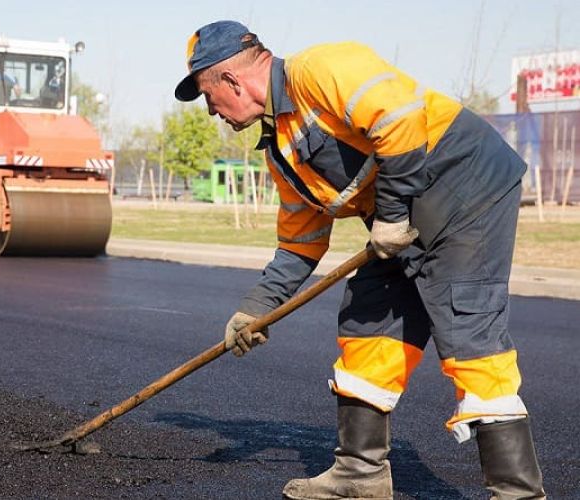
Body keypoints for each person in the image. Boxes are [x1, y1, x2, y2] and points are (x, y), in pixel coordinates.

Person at [174, 20, 545, 499]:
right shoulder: (281, 148)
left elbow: (400, 120)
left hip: (465, 189)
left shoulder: (320, 69)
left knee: (468, 331)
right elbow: (300, 243)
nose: (211, 112)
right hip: (401, 217)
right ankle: (359, 474)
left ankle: (518, 492)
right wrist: (255, 308)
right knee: (368, 320)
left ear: (231, 80)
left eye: (208, 96)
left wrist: (389, 215)